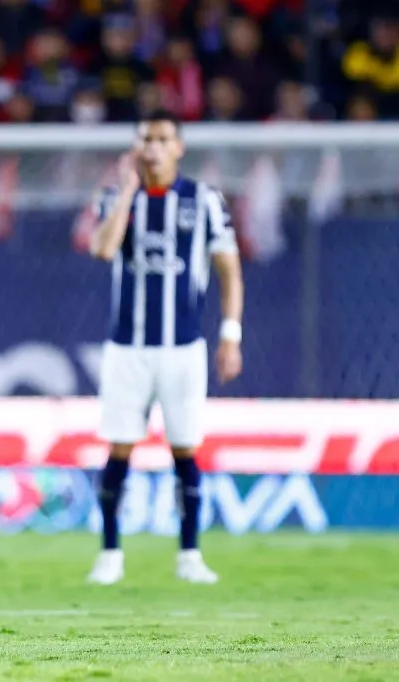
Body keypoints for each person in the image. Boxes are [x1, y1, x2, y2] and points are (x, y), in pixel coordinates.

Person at [86, 110, 244, 585]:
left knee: (185, 450)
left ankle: (190, 554)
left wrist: (231, 334)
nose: (153, 147)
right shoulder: (115, 197)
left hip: (183, 348)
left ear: (179, 147)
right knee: (119, 448)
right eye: (146, 139)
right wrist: (127, 191)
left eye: (162, 139)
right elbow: (102, 249)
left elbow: (229, 268)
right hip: (127, 348)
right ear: (136, 147)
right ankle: (110, 553)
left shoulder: (204, 200)